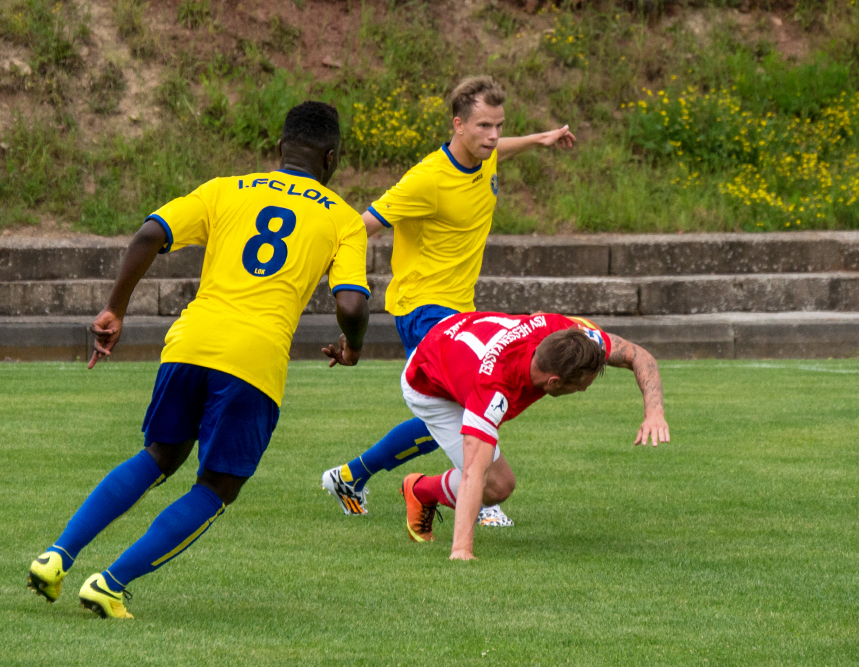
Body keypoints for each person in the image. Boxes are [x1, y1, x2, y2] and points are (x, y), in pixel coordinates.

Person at [26, 101, 370, 619]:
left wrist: (115, 309)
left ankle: (57, 557)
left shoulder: (224, 188)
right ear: (331, 157)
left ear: (278, 150)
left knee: (159, 455)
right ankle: (111, 583)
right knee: (217, 486)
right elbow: (350, 303)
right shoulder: (343, 219)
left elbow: (148, 234)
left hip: (189, 341)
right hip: (253, 358)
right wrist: (354, 347)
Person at [322, 75, 576, 524]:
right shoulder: (427, 180)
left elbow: (502, 148)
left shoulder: (487, 155)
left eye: (498, 125)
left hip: (462, 308)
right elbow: (359, 226)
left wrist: (540, 139)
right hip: (422, 309)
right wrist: (317, 266)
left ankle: (351, 475)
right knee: (472, 401)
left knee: (444, 411)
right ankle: (478, 493)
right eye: (483, 127)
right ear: (458, 125)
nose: (493, 136)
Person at [394, 311, 670, 560]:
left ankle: (421, 491)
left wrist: (654, 413)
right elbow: (473, 473)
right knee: (497, 486)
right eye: (580, 386)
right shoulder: (495, 388)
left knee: (495, 480)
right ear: (554, 382)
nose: (584, 391)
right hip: (427, 382)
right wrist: (462, 551)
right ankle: (421, 491)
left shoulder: (564, 331)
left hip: (456, 334)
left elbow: (638, 355)